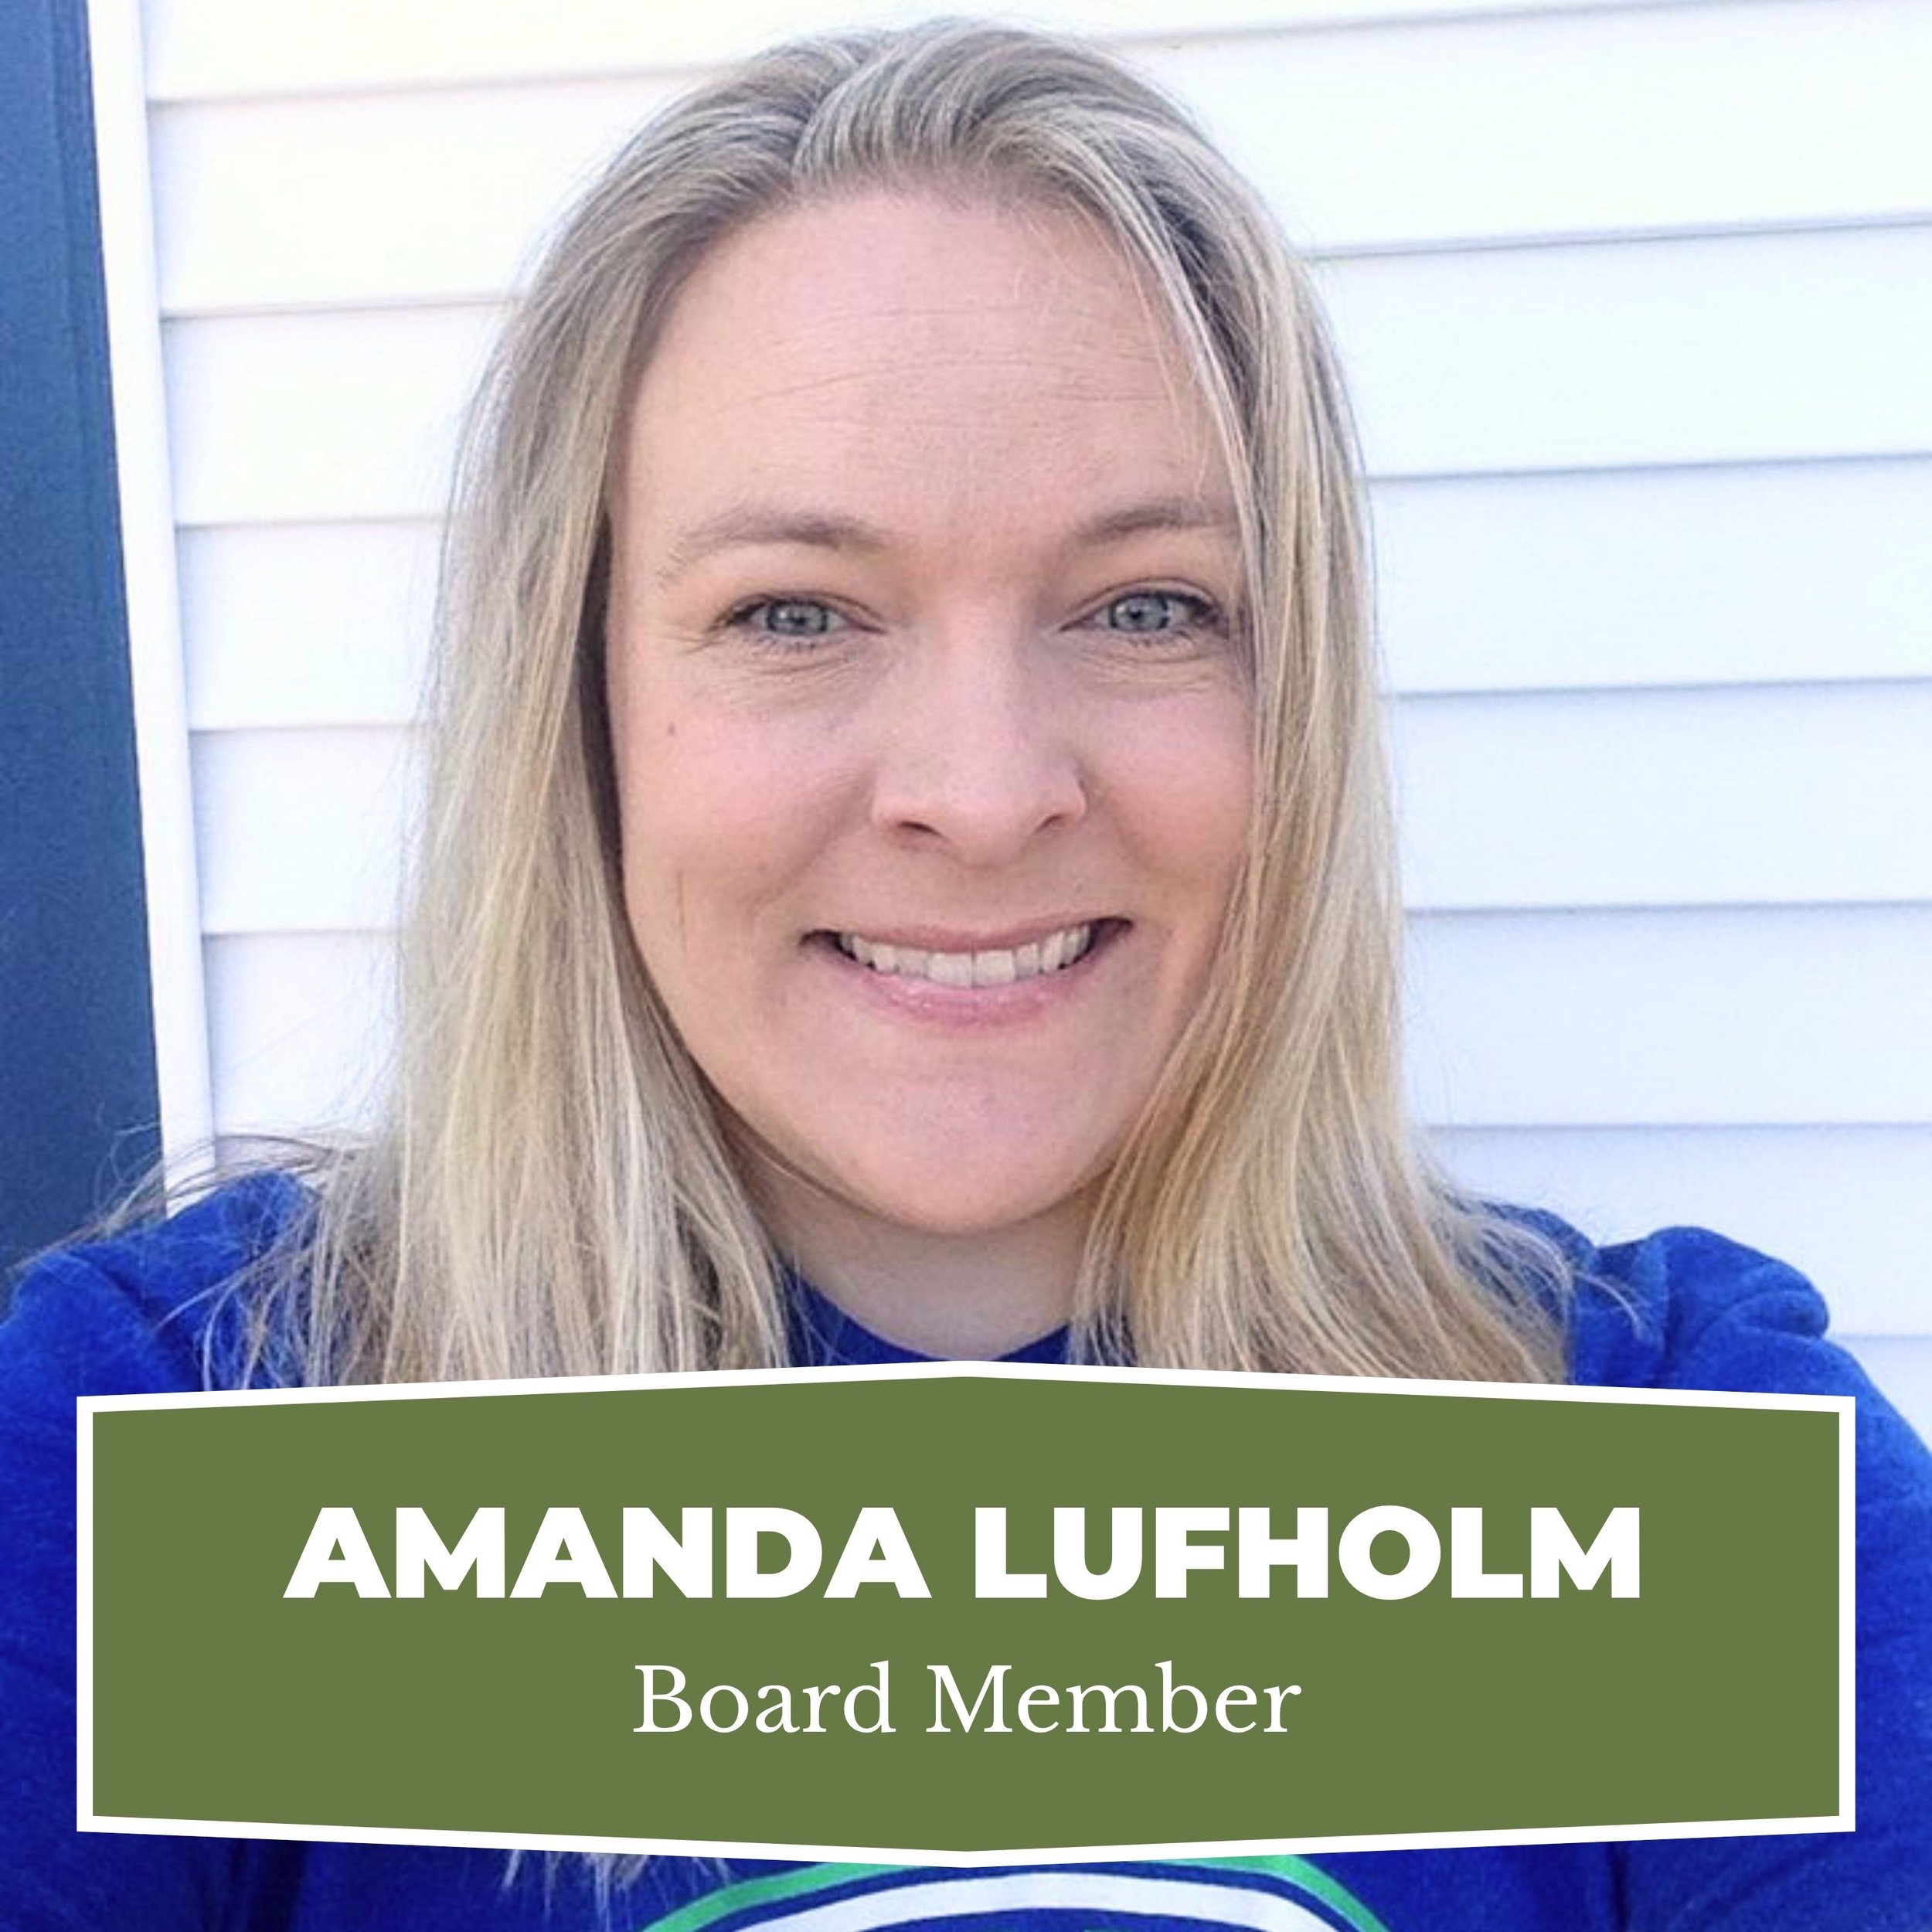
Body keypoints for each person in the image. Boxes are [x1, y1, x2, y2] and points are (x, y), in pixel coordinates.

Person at [3, 20, 1928, 1931]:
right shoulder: (162, 1459)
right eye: (793, 612)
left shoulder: (1673, 1471)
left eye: (1146, 604)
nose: (984, 792)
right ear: (576, 708)